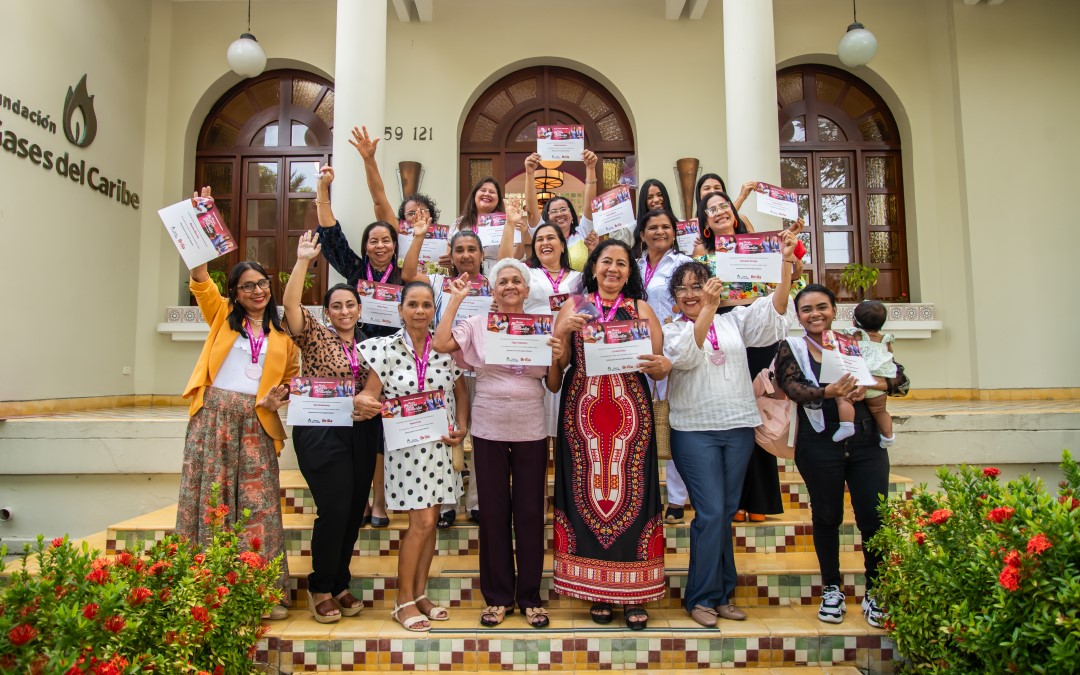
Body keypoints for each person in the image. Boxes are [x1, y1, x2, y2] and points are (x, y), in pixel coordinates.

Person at [175, 189, 299, 621]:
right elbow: (199, 277)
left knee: (257, 506)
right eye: (248, 286)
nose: (258, 291)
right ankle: (209, 590)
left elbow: (290, 384)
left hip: (257, 422)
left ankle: (262, 594)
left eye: (263, 283)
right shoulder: (221, 315)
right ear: (235, 292)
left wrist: (277, 398)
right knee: (210, 501)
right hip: (213, 418)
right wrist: (202, 218)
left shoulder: (284, 339)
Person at [662, 234, 797, 628]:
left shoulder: (735, 321)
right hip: (694, 431)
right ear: (674, 297)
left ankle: (720, 595)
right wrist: (706, 307)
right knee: (709, 511)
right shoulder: (672, 330)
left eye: (698, 285)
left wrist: (785, 266)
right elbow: (685, 356)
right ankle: (701, 597)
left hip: (738, 428)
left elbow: (774, 314)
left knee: (722, 513)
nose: (690, 293)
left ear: (712, 285)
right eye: (682, 288)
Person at [433, 260, 565, 629]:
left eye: (516, 281)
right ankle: (498, 598)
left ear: (526, 290)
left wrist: (556, 355)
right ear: (493, 290)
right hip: (489, 427)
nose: (509, 285)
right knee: (492, 514)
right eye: (503, 281)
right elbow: (442, 343)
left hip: (531, 429)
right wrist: (456, 300)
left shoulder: (544, 327)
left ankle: (529, 597)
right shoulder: (478, 324)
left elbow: (553, 384)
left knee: (529, 515)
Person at [549, 239, 672, 630]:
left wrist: (664, 364)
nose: (613, 269)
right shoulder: (575, 306)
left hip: (630, 419)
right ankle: (597, 591)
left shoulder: (642, 309)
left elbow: (655, 367)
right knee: (585, 495)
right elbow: (560, 364)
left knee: (635, 496)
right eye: (607, 262)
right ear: (594, 267)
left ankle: (635, 592)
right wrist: (562, 333)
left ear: (629, 271)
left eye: (621, 263)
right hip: (580, 418)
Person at [773, 284, 908, 628]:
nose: (815, 314)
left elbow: (901, 380)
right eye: (807, 309)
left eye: (822, 307)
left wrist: (872, 385)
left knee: (873, 518)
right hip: (819, 444)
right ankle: (831, 587)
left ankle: (876, 591)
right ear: (798, 316)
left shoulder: (855, 343)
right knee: (827, 516)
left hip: (866, 442)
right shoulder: (792, 347)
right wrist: (828, 391)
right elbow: (793, 388)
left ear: (834, 310)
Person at [353, 281, 470, 632]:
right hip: (406, 450)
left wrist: (461, 428)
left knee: (431, 523)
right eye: (413, 305)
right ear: (400, 310)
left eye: (426, 305)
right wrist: (365, 403)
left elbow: (461, 394)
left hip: (440, 446)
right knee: (419, 523)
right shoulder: (385, 349)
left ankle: (419, 594)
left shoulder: (445, 349)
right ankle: (403, 600)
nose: (420, 311)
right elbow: (369, 395)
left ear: (434, 310)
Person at [281, 231, 371, 623]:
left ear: (359, 308)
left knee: (353, 510)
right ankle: (319, 586)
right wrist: (303, 261)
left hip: (362, 432)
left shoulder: (369, 343)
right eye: (337, 305)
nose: (345, 311)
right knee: (333, 507)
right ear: (328, 311)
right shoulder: (316, 335)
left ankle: (339, 582)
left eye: (351, 304)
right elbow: (289, 306)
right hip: (320, 432)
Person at [315, 165, 403, 529]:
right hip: (357, 360)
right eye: (373, 241)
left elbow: (382, 203)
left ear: (395, 246)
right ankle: (363, 498)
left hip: (396, 363)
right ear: (365, 246)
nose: (380, 246)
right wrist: (322, 188)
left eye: (386, 240)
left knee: (385, 434)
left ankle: (381, 501)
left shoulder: (404, 275)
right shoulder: (354, 271)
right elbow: (331, 235)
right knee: (359, 431)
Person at [631, 208, 695, 524]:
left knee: (673, 419)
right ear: (642, 234)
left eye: (666, 227)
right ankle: (642, 495)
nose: (660, 232)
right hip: (633, 351)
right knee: (641, 422)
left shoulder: (682, 265)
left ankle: (677, 498)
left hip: (673, 346)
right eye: (653, 227)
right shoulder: (633, 266)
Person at [522, 152, 597, 271]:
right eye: (554, 211)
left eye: (563, 209)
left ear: (572, 215)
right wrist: (529, 173)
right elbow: (532, 211)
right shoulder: (543, 232)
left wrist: (591, 168)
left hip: (581, 289)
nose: (559, 214)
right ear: (547, 217)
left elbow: (589, 205)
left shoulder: (583, 232)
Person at [847, 300, 897, 448]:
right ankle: (888, 437)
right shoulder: (885, 340)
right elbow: (890, 356)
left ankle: (846, 425)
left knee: (844, 401)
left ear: (854, 321)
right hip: (878, 385)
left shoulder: (856, 335)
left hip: (857, 380)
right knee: (880, 411)